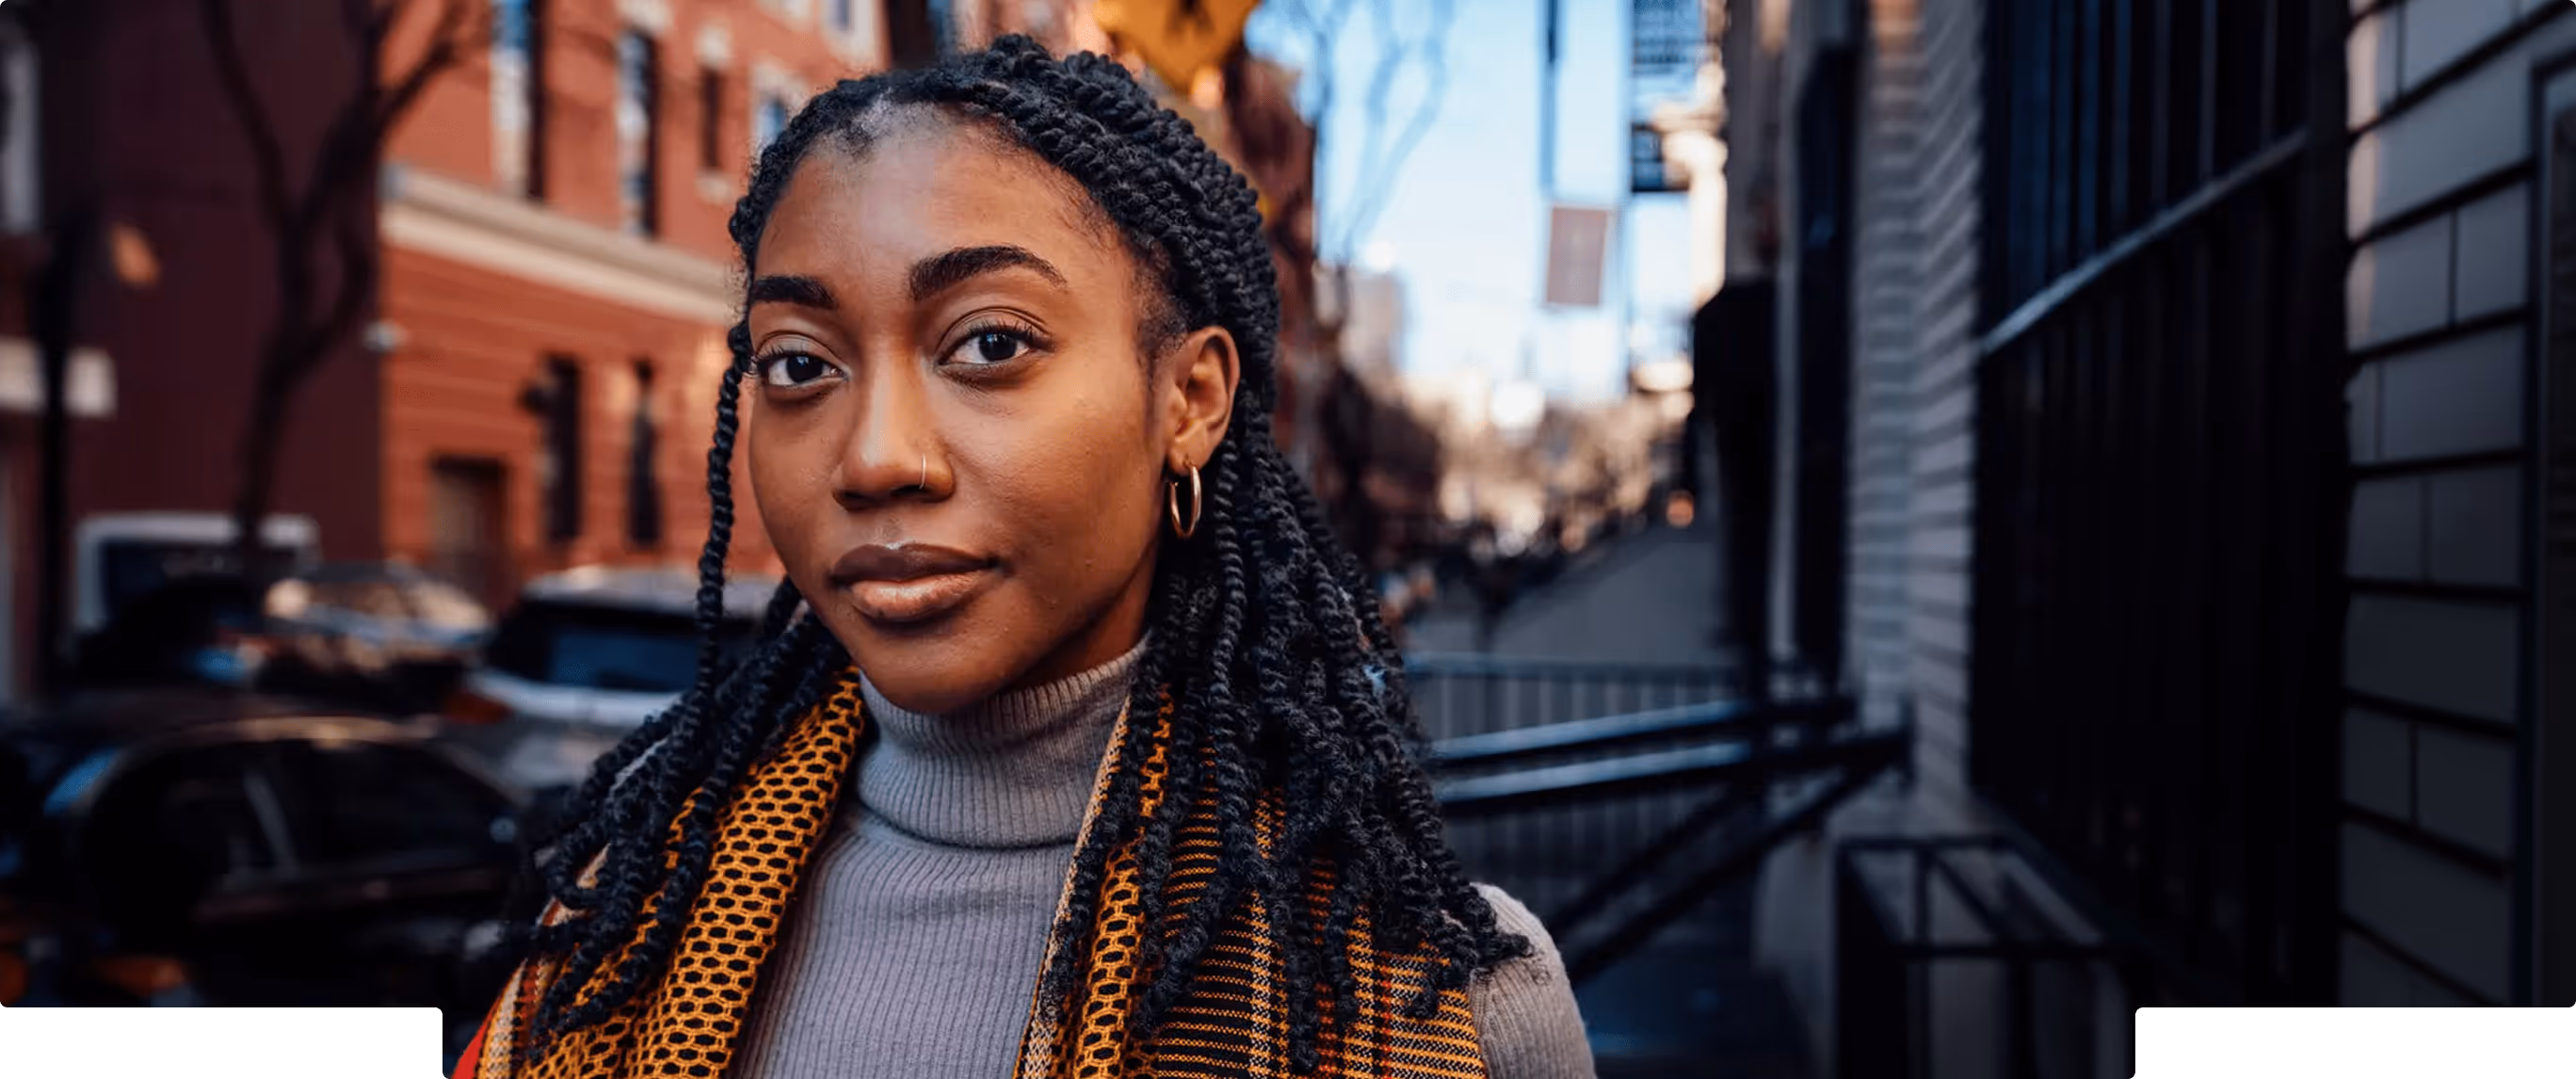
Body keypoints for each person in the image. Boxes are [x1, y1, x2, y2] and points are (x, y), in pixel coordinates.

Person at [452, 39, 1593, 1079]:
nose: (877, 458)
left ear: (1189, 399)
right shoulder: (612, 921)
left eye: (991, 344)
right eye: (799, 365)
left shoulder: (1439, 1004)